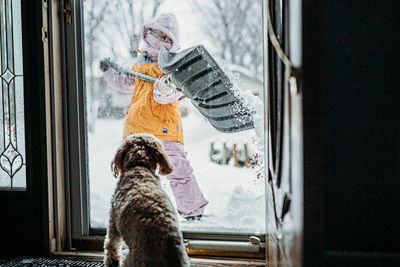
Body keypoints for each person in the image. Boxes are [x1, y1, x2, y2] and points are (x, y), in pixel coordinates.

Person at [99, 13, 208, 221]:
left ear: (173, 42)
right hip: (136, 128)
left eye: (166, 38)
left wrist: (166, 89)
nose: (161, 41)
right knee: (134, 170)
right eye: (157, 35)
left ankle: (193, 212)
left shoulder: (174, 66)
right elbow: (125, 83)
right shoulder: (139, 64)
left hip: (164, 129)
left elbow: (175, 93)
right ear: (147, 35)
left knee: (178, 170)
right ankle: (135, 207)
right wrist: (109, 72)